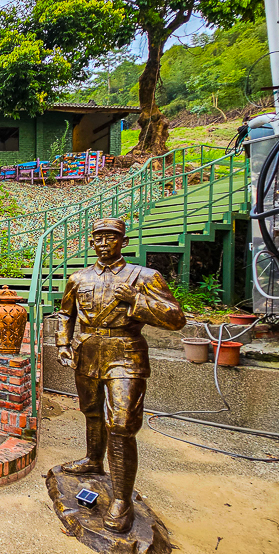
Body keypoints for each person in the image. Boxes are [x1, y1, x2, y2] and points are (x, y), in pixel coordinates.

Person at [51, 217, 185, 533]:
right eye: (98, 237)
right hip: (87, 350)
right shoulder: (78, 278)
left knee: (122, 424)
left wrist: (136, 300)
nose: (103, 243)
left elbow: (176, 318)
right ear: (91, 242)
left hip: (126, 351)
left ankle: (121, 499)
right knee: (91, 411)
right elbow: (65, 314)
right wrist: (63, 344)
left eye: (111, 237)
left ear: (123, 242)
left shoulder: (144, 277)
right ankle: (93, 460)